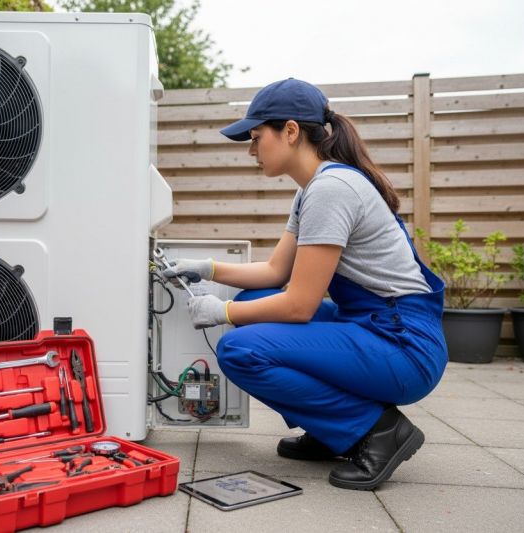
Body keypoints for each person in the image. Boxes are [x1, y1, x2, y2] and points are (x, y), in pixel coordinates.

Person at [160, 78, 447, 491]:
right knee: (256, 299)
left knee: (239, 350)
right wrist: (206, 268)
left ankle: (378, 431)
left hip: (404, 346)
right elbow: (276, 273)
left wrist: (220, 312)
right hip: (377, 326)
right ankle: (329, 428)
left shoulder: (332, 190)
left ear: (290, 131)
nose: (251, 150)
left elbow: (299, 306)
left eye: (257, 137)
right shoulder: (315, 189)